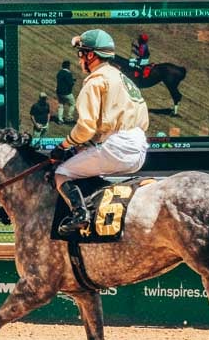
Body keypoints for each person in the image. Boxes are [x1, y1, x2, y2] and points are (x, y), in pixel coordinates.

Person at [49, 29, 150, 237]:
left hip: (117, 148)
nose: (80, 60)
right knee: (87, 164)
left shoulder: (95, 81)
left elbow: (86, 126)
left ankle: (79, 216)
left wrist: (63, 146)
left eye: (81, 54)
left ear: (91, 55)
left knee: (62, 173)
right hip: (139, 147)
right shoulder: (123, 78)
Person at [55, 60, 76, 124]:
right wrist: (73, 81)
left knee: (61, 105)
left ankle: (60, 119)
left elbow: (62, 80)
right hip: (66, 92)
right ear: (68, 66)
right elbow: (70, 83)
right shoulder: (68, 73)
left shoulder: (59, 72)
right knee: (72, 104)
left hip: (59, 92)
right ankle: (69, 117)